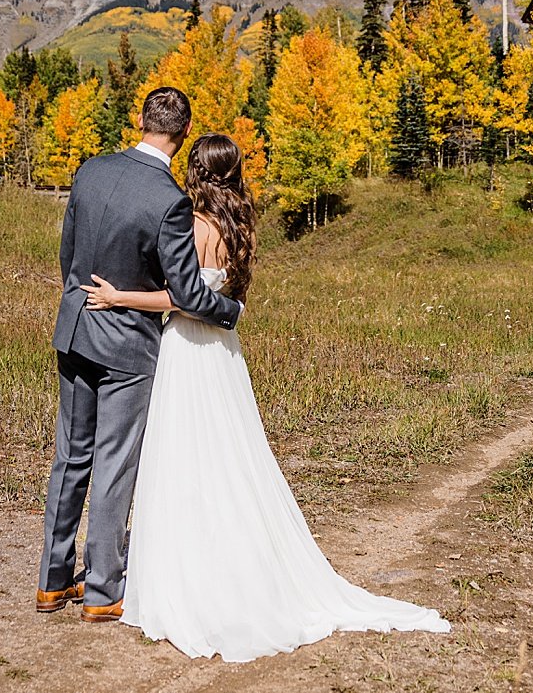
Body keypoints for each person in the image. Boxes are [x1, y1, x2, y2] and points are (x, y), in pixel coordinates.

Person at [83, 132, 450, 662]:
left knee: (184, 458)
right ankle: (234, 558)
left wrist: (120, 296)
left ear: (198, 173)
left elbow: (183, 299)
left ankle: (190, 573)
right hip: (223, 351)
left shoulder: (192, 223)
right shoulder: (238, 225)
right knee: (229, 459)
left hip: (188, 347)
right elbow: (220, 298)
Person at [38, 87, 244, 622]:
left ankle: (53, 581)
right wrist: (231, 311)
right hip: (126, 347)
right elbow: (187, 292)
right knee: (113, 462)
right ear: (183, 131)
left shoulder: (91, 170)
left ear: (141, 119)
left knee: (70, 456)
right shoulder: (168, 199)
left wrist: (78, 302)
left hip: (76, 326)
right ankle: (103, 590)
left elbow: (68, 253)